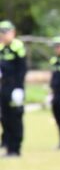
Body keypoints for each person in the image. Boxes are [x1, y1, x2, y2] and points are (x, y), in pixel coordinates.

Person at [0, 21, 26, 157]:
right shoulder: (1, 48)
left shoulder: (17, 47)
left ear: (13, 33)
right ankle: (9, 147)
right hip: (3, 87)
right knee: (5, 118)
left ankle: (16, 148)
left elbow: (22, 70)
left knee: (15, 117)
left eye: (5, 32)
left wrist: (19, 88)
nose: (3, 36)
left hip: (15, 87)